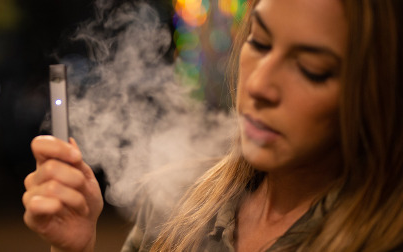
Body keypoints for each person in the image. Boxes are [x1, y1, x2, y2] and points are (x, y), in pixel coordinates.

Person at [22, 0, 403, 251]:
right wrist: (75, 245)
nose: (258, 85)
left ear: (378, 93)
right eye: (260, 42)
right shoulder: (174, 203)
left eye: (311, 70)